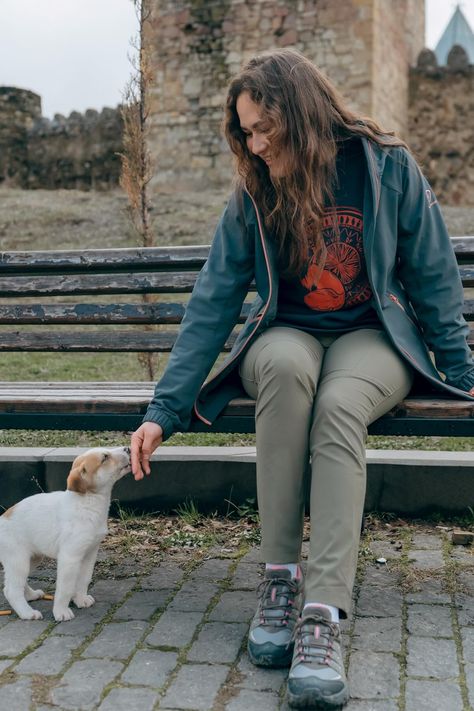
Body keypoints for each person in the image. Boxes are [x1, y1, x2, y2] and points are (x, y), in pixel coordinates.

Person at [131, 49, 474, 709]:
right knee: (287, 370)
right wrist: (163, 408)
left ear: (302, 113)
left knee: (341, 402)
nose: (256, 146)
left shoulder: (385, 166)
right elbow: (213, 300)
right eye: (246, 133)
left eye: (265, 129)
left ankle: (322, 614)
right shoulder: (256, 188)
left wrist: (461, 379)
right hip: (283, 334)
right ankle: (280, 579)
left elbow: (433, 276)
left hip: (371, 338)